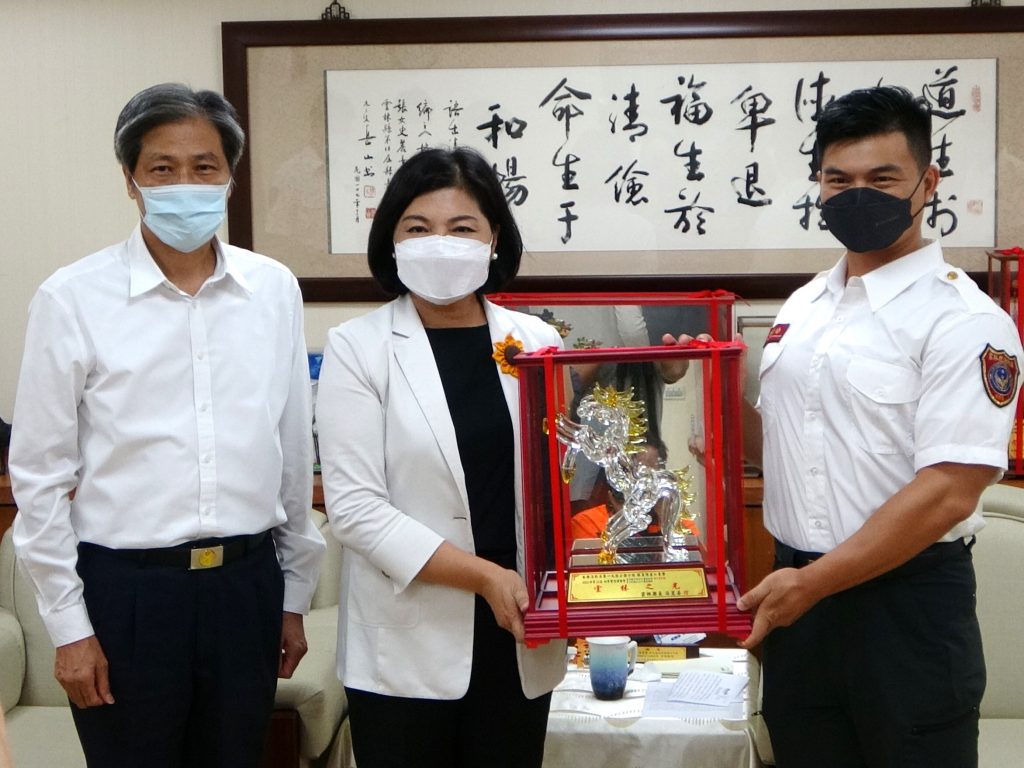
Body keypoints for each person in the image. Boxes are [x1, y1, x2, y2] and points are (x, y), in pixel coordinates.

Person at [8, 83, 325, 768]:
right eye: (162, 168)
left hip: (246, 586)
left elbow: (292, 451)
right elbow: (38, 478)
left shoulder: (272, 289)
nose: (186, 184)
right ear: (130, 180)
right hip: (128, 595)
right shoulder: (72, 298)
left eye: (205, 166)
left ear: (230, 178)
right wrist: (68, 628)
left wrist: (294, 595)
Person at [734, 85, 1022, 767]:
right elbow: (784, 447)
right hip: (796, 598)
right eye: (839, 180)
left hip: (906, 608)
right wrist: (703, 399)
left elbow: (949, 490)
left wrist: (814, 584)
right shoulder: (804, 306)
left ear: (928, 183)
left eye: (882, 179)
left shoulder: (965, 320)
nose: (857, 195)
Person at [316, 147, 566, 768]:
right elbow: (355, 511)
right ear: (391, 241)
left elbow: (562, 481)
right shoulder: (358, 347)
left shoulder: (537, 342)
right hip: (406, 648)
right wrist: (484, 577)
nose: (440, 244)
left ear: (494, 239)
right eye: (418, 228)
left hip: (520, 634)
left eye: (461, 228)